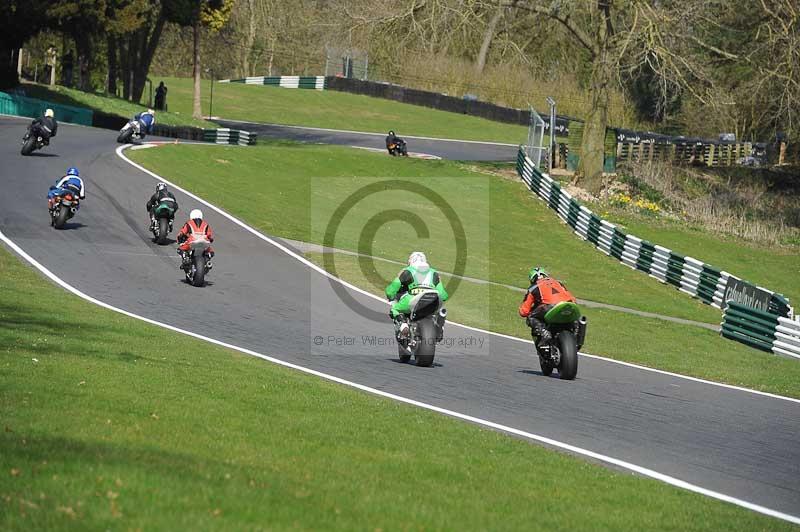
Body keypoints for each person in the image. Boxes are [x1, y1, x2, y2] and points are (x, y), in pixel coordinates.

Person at [385, 251, 448, 338]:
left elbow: (391, 290)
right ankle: (440, 326)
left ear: (410, 261)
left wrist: (391, 297)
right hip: (434, 299)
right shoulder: (434, 273)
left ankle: (403, 325)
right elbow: (444, 295)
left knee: (394, 309)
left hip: (413, 298)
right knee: (441, 310)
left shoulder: (407, 271)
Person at [519, 267, 576, 346]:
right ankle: (577, 331)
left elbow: (524, 312)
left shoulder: (533, 287)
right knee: (577, 318)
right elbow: (573, 299)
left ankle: (544, 332)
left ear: (532, 279)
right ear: (545, 275)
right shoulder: (558, 283)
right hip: (568, 305)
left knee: (531, 317)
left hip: (549, 306)